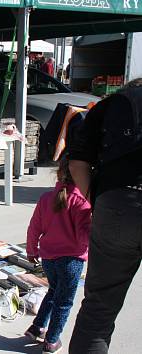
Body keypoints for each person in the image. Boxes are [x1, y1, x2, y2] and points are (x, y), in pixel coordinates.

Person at [67, 79, 142, 354]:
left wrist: (97, 201)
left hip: (117, 203)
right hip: (118, 201)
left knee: (98, 311)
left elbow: (76, 163)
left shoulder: (111, 105)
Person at [24, 157, 91, 354]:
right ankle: (52, 341)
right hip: (71, 259)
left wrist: (31, 250)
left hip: (48, 258)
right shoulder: (82, 203)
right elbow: (82, 238)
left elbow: (34, 228)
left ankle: (36, 327)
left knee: (54, 292)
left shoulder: (46, 198)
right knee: (64, 301)